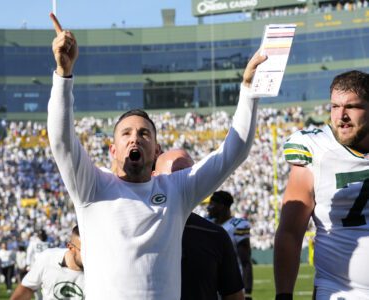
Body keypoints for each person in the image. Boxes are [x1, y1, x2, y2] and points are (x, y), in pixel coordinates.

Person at [47, 13, 266, 299]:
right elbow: (62, 141)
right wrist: (64, 75)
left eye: (144, 133)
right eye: (125, 134)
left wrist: (248, 91)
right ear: (112, 150)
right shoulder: (92, 187)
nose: (135, 137)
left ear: (156, 150)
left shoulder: (176, 190)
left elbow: (232, 154)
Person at [274, 70, 369, 300]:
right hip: (339, 291)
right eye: (335, 106)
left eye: (352, 106)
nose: (341, 115)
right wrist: (284, 295)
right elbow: (290, 231)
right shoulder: (316, 149)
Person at [153, 149, 244, 300]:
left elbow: (233, 295)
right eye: (176, 174)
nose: (184, 180)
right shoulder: (135, 229)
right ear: (154, 178)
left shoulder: (215, 235)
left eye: (189, 173)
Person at [10, 225, 84, 300]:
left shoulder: (95, 270)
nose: (90, 255)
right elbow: (27, 287)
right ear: (71, 248)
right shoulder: (48, 257)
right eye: (85, 251)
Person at [208, 191, 253, 300]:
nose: (208, 208)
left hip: (233, 282)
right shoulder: (207, 223)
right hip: (211, 282)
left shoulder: (238, 225)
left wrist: (247, 291)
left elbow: (245, 261)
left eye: (212, 205)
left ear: (222, 206)